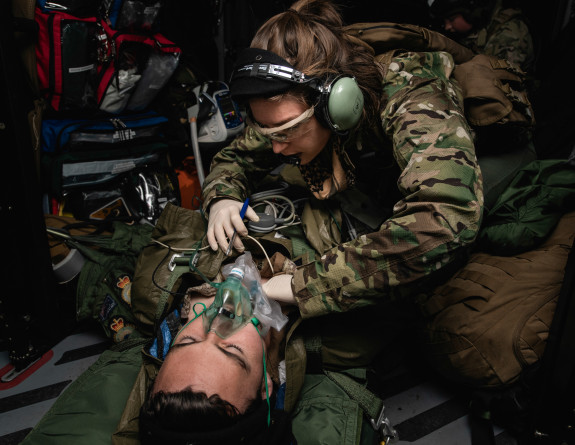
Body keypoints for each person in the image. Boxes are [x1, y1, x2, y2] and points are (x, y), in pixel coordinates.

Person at [135, 0, 483, 442]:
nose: (275, 149)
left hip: (472, 178)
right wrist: (222, 198)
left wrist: (305, 286)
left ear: (338, 103)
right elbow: (235, 159)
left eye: (284, 133)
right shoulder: (289, 108)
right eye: (269, 134)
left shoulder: (413, 98)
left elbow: (447, 217)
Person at [429, 0, 535, 73]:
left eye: (451, 19)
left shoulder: (509, 33)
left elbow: (499, 76)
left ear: (470, 14)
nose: (447, 26)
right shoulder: (481, 26)